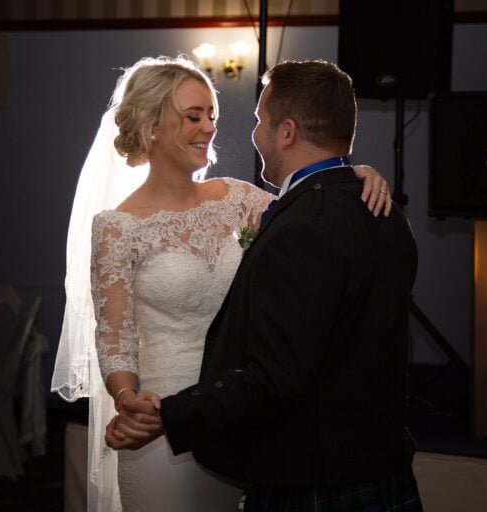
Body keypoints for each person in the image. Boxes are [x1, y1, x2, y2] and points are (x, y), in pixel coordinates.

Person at [50, 56, 393, 511]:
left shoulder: (236, 198)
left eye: (211, 115)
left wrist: (352, 175)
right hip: (161, 420)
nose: (209, 127)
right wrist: (129, 401)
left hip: (242, 419)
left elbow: (312, 218)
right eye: (193, 116)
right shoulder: (116, 227)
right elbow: (115, 338)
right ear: (152, 125)